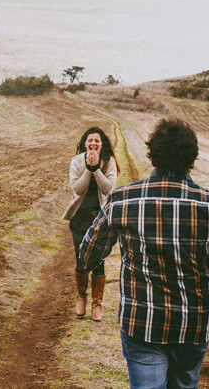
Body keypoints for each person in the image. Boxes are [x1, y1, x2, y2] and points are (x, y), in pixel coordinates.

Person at [79, 118, 209, 389]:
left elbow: (88, 256)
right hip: (193, 325)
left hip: (141, 324)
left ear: (152, 154)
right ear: (192, 158)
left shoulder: (122, 200)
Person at [62, 126, 117, 321]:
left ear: (102, 144)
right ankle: (81, 298)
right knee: (81, 258)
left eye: (97, 141)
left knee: (98, 259)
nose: (93, 144)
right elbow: (77, 188)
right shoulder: (76, 162)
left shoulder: (109, 162)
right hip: (80, 217)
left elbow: (109, 189)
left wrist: (96, 170)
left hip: (100, 217)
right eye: (90, 140)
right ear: (85, 143)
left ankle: (96, 304)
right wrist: (88, 169)